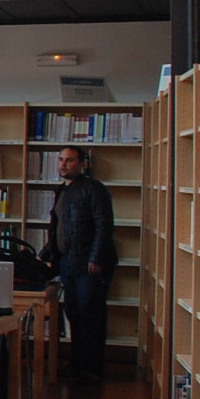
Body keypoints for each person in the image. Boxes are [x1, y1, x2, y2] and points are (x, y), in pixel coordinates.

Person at [46, 145, 117, 385]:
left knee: (91, 314)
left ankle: (92, 368)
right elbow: (57, 225)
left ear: (82, 164)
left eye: (70, 161)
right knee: (74, 313)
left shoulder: (94, 190)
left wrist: (96, 258)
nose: (63, 165)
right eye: (61, 160)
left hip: (90, 263)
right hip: (69, 261)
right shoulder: (62, 190)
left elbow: (103, 225)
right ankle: (77, 364)